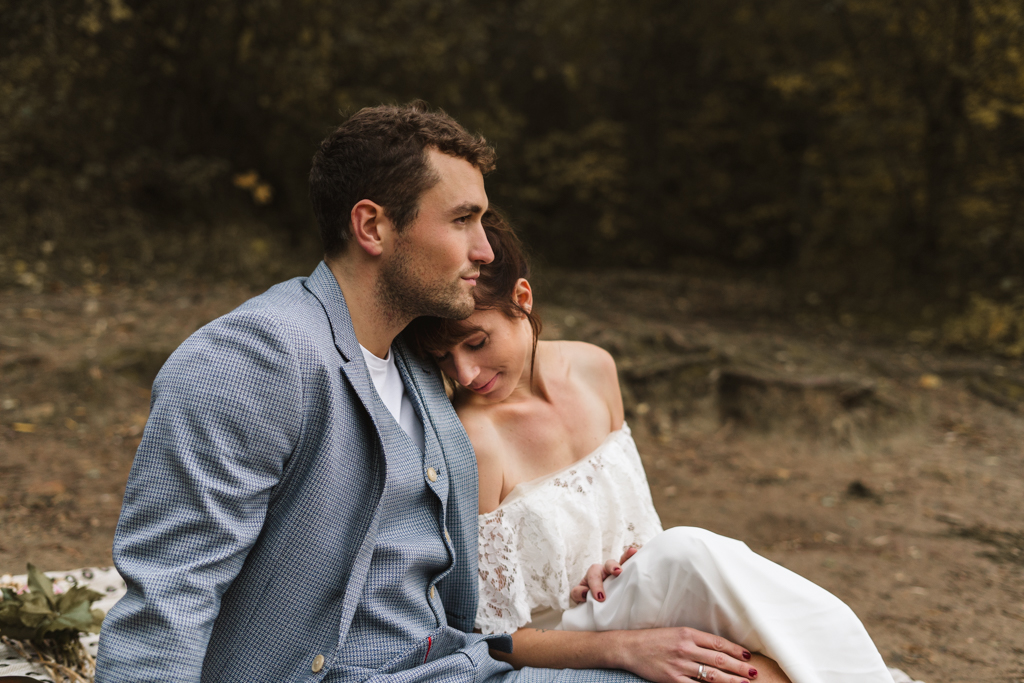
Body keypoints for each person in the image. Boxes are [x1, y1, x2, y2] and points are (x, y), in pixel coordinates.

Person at [97, 102, 633, 683]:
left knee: (723, 662)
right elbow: (168, 602)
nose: (484, 250)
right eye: (462, 220)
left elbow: (450, 612)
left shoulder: (416, 364)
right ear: (372, 227)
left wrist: (619, 642)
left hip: (455, 667)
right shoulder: (253, 358)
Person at [407, 210, 900, 683]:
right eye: (444, 359)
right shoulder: (476, 440)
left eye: (475, 342)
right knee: (687, 553)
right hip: (567, 637)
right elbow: (496, 639)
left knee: (693, 566)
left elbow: (639, 533)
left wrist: (617, 565)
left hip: (628, 592)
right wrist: (625, 644)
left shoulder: (595, 368)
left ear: (523, 298)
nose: (464, 374)